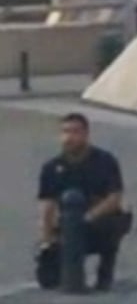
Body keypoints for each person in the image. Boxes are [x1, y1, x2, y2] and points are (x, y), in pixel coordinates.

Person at [36, 113, 131, 291]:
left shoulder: (104, 161)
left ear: (86, 134)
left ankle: (105, 273)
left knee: (112, 225)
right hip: (65, 222)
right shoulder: (51, 167)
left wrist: (88, 217)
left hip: (98, 219)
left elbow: (114, 197)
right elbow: (46, 204)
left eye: (75, 132)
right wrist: (46, 239)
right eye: (65, 132)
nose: (69, 137)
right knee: (48, 280)